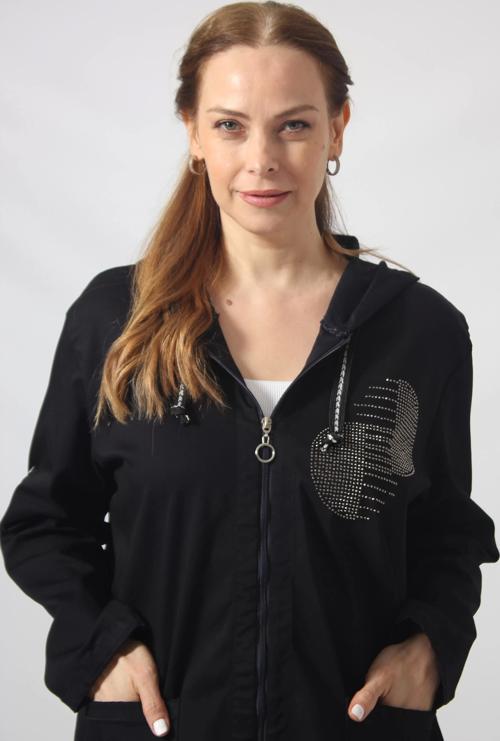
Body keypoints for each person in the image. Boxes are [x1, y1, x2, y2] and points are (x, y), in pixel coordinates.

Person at [0, 2, 498, 740]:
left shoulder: (420, 332)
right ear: (193, 133)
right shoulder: (115, 321)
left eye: (293, 124)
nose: (262, 159)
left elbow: (449, 535)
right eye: (230, 125)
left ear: (337, 129)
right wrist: (100, 648)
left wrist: (430, 645)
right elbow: (45, 523)